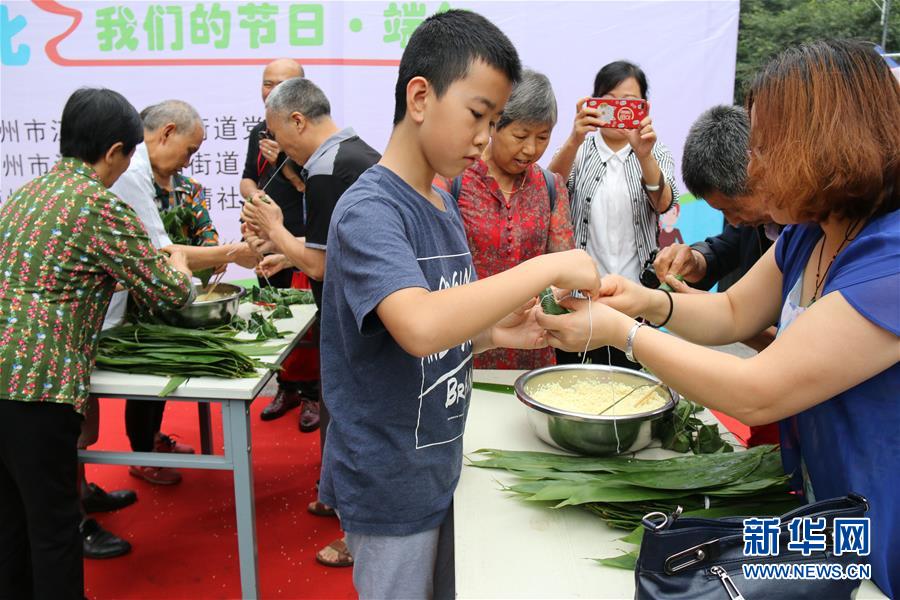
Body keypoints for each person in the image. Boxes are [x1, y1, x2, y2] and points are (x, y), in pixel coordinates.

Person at [536, 40, 899, 598]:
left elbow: (758, 391)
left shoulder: (890, 260)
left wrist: (624, 334)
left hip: (881, 529)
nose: (754, 164)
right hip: (828, 516)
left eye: (767, 144)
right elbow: (731, 311)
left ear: (829, 143)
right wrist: (644, 301)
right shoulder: (810, 231)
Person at [316, 10, 601, 598]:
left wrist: (497, 336)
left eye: (494, 120)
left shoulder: (442, 210)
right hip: (390, 483)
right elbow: (419, 326)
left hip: (440, 463)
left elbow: (431, 339)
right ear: (420, 97)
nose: (484, 136)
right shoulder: (372, 209)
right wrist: (543, 267)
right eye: (478, 115)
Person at [0, 87, 194, 600]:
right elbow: (168, 292)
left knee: (12, 521)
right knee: (54, 528)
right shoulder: (97, 207)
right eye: (128, 155)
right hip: (37, 385)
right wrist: (176, 262)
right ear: (113, 152)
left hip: (4, 378)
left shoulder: (24, 195)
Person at [241, 76, 382, 568]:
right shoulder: (359, 154)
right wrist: (289, 256)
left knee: (351, 424)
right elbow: (338, 250)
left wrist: (276, 231)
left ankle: (358, 531)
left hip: (354, 322)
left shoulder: (326, 170)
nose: (279, 149)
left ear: (297, 120)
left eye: (279, 136)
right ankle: (337, 498)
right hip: (371, 315)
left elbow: (322, 265)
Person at [105, 99, 258, 486]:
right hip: (131, 298)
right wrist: (230, 254)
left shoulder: (180, 186)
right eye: (189, 150)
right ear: (167, 133)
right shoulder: (132, 173)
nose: (189, 161)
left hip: (155, 291)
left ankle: (148, 443)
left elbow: (180, 244)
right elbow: (161, 252)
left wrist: (218, 255)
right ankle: (140, 452)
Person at [548, 60, 679, 369]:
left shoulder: (656, 152)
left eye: (630, 104)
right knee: (577, 381)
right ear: (593, 104)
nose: (619, 111)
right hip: (580, 300)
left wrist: (644, 155)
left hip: (636, 299)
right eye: (609, 103)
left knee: (630, 382)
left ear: (644, 108)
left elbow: (664, 203)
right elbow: (547, 192)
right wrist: (573, 139)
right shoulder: (579, 151)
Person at [443, 68, 574, 369]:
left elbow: (564, 268)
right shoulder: (455, 182)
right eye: (520, 135)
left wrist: (554, 296)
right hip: (466, 345)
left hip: (533, 344)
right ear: (495, 126)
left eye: (542, 137)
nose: (530, 149)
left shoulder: (550, 187)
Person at [239, 59, 321, 430]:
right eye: (266, 83)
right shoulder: (260, 130)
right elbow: (247, 179)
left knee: (312, 322)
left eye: (281, 84)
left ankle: (314, 396)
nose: (271, 90)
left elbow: (312, 188)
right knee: (276, 314)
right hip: (267, 240)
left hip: (304, 242)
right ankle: (286, 387)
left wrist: (287, 165)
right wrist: (255, 200)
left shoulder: (314, 137)